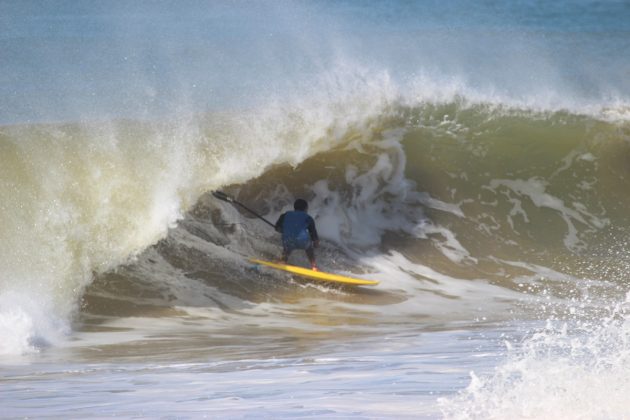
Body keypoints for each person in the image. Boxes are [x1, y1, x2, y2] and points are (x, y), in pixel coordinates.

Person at [275, 198, 319, 270]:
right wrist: (316, 243)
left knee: (286, 249)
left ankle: (282, 261)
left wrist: (283, 230)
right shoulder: (308, 218)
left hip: (288, 240)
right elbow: (313, 234)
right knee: (309, 248)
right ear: (305, 209)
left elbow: (277, 228)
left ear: (294, 207)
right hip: (303, 241)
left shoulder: (285, 215)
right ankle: (314, 266)